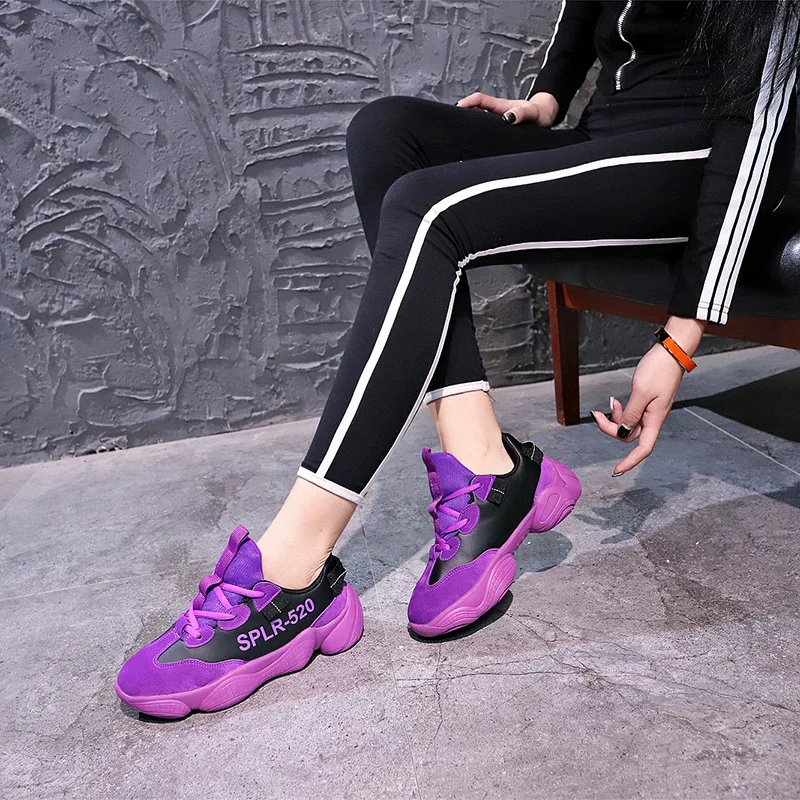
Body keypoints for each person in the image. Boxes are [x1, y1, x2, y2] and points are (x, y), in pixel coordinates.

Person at [115, 0, 800, 718]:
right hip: (609, 134)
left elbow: (766, 105)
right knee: (385, 131)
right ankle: (484, 463)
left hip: (706, 153)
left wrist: (681, 336)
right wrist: (548, 95)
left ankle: (293, 569)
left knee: (430, 210)